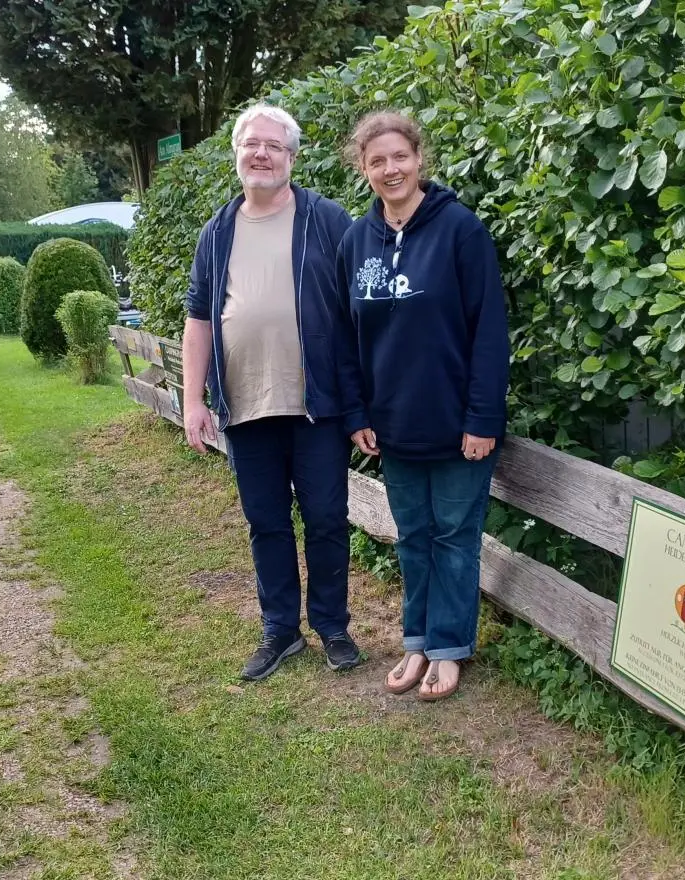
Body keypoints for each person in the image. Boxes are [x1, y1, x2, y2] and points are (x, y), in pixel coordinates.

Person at [181, 103, 364, 681]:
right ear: (236, 153)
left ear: (291, 156)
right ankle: (280, 631)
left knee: (328, 519)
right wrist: (193, 400)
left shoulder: (327, 219)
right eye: (251, 144)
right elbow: (198, 319)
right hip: (246, 406)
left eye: (273, 146)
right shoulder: (217, 230)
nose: (261, 154)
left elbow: (361, 307)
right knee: (266, 523)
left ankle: (332, 627)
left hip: (318, 406)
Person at [336, 111, 510, 702]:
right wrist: (356, 413)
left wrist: (483, 418)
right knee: (412, 537)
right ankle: (417, 641)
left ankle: (449, 649)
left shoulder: (461, 231)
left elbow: (489, 331)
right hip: (392, 428)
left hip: (460, 428)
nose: (391, 169)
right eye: (377, 161)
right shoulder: (356, 242)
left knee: (455, 539)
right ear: (363, 170)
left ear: (419, 159)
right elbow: (345, 339)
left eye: (400, 157)